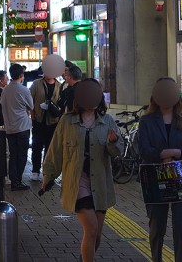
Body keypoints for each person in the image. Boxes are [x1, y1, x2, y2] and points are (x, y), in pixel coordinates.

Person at [42, 78, 122, 262]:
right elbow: (56, 150)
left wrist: (113, 141)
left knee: (97, 235)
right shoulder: (67, 121)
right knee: (91, 229)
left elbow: (116, 152)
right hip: (78, 184)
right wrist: (48, 175)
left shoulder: (107, 121)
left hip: (100, 184)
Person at [138, 77, 182, 262]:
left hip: (181, 179)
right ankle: (156, 258)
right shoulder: (146, 121)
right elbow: (143, 151)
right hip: (155, 179)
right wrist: (163, 154)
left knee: (181, 226)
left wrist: (176, 152)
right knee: (157, 227)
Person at [29, 54, 65, 181]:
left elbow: (61, 104)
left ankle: (47, 171)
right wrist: (32, 114)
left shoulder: (60, 86)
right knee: (36, 146)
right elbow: (29, 100)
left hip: (53, 122)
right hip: (38, 120)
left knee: (50, 148)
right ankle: (35, 170)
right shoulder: (36, 84)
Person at [1, 63, 34, 191]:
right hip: (22, 127)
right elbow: (31, 106)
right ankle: (17, 181)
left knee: (13, 154)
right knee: (22, 155)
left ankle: (14, 180)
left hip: (9, 127)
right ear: (21, 75)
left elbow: (2, 106)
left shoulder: (5, 90)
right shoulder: (24, 89)